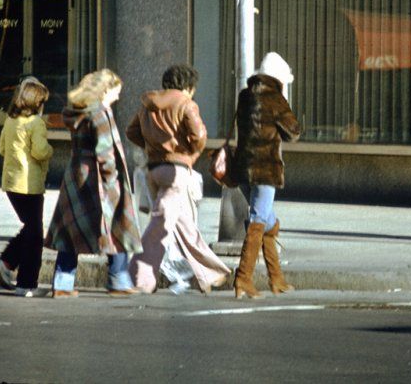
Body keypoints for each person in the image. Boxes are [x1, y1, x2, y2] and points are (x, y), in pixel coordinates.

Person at [127, 64, 230, 294]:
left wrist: (151, 148)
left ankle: (210, 274)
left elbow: (131, 131)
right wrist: (191, 152)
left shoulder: (148, 105)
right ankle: (139, 277)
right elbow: (199, 136)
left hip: (154, 170)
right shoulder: (185, 104)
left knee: (184, 227)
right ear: (188, 86)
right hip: (176, 171)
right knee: (160, 225)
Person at [44, 69, 143, 298]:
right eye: (116, 92)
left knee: (71, 228)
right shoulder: (100, 113)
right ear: (105, 90)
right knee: (117, 224)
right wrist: (112, 179)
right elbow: (106, 151)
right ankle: (118, 281)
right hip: (98, 177)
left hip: (76, 172)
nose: (118, 97)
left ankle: (62, 283)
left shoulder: (77, 112)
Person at [232, 52, 301, 299]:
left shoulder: (244, 96)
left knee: (267, 223)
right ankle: (243, 279)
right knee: (258, 220)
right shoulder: (275, 98)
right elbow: (293, 132)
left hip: (242, 168)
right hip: (265, 168)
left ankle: (277, 279)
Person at [0, 77, 53, 297]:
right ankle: (26, 283)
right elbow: (39, 151)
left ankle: (7, 262)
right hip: (30, 185)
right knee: (35, 234)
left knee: (31, 228)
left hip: (10, 184)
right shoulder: (36, 123)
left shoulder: (10, 121)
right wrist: (50, 151)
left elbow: (1, 148)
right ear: (36, 103)